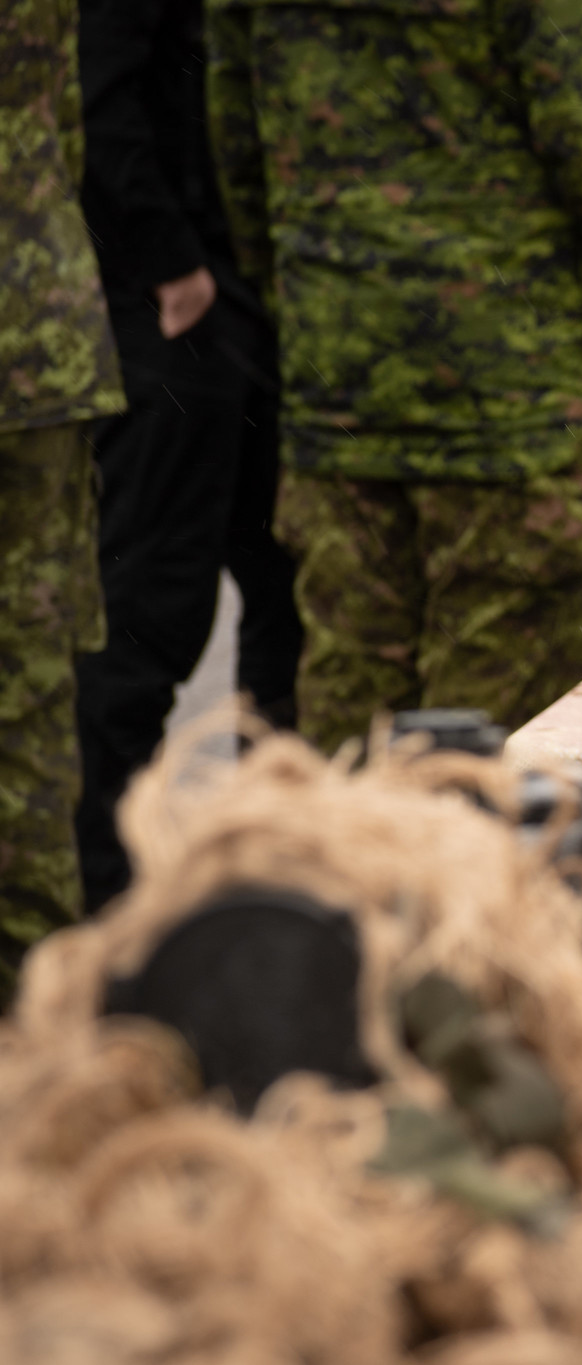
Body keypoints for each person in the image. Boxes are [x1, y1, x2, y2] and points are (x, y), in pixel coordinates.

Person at [207, 0, 582, 752]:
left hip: (344, 380)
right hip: (520, 403)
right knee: (503, 741)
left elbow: (237, 147)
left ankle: (344, 867)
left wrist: (318, 303)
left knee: (352, 706)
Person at [73, 0, 303, 910]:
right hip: (169, 318)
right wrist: (168, 261)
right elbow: (97, 98)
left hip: (234, 307)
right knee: (145, 617)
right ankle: (104, 900)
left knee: (287, 592)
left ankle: (280, 872)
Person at [0, 0, 129, 1004]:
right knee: (27, 695)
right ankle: (34, 1011)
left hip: (33, 344)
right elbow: (64, 118)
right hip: (29, 329)